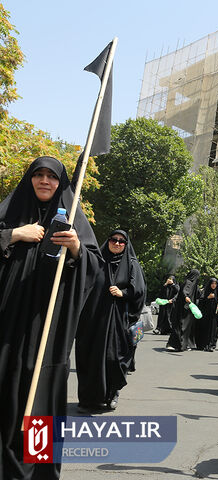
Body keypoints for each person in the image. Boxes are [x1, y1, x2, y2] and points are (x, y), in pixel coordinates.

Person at [0, 156, 102, 479]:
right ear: (30, 179)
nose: (44, 181)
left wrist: (75, 249)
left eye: (52, 177)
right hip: (7, 327)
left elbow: (95, 266)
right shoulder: (11, 214)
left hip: (47, 330)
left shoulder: (71, 220)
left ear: (61, 184)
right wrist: (16, 234)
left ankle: (38, 472)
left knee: (41, 391)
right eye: (38, 175)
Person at [76, 229, 146, 411]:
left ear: (126, 245)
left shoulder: (131, 264)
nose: (117, 243)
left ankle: (112, 393)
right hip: (93, 319)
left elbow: (139, 291)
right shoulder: (97, 260)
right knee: (89, 358)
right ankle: (88, 400)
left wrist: (123, 293)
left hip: (118, 321)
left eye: (121, 241)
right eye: (113, 240)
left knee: (114, 358)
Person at [166, 269, 200, 351]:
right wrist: (186, 297)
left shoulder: (193, 284)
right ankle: (179, 345)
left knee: (185, 327)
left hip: (188, 308)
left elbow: (198, 294)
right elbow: (185, 291)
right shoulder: (188, 282)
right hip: (184, 308)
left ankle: (183, 344)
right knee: (182, 326)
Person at [196, 277, 218, 351]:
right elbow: (200, 302)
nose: (213, 285)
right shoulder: (205, 291)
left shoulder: (217, 292)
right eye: (212, 283)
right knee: (205, 329)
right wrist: (207, 298)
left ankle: (211, 345)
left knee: (213, 330)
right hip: (206, 315)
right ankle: (204, 344)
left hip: (214, 315)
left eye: (215, 284)